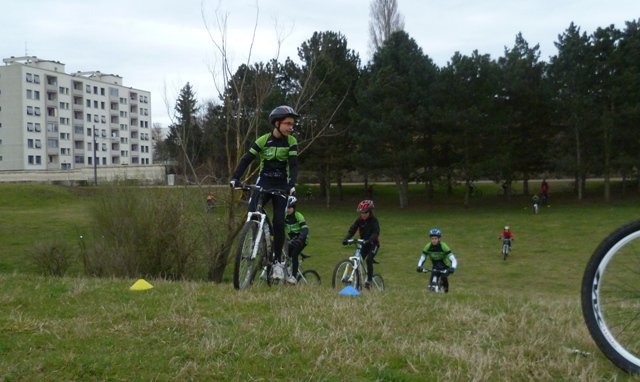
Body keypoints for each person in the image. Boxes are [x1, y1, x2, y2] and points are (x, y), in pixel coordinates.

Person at [230, 105, 300, 281]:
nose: (291, 127)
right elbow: (247, 159)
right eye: (288, 123)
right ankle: (256, 238)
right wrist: (235, 178)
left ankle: (277, 262)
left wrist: (291, 184)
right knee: (252, 212)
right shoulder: (263, 140)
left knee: (278, 220)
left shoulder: (291, 142)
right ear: (277, 123)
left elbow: (293, 165)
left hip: (281, 184)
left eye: (293, 124)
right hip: (264, 181)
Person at [342, 200, 380, 289]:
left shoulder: (374, 220)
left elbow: (376, 232)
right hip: (363, 244)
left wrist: (370, 240)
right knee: (356, 260)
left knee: (368, 259)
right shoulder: (359, 220)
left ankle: (369, 281)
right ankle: (356, 281)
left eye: (365, 212)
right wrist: (346, 238)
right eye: (361, 212)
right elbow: (352, 229)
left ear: (370, 211)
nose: (363, 214)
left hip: (373, 244)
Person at [416, 228, 458, 293]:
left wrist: (453, 268)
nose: (434, 240)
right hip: (435, 266)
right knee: (431, 285)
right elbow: (422, 258)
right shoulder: (428, 246)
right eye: (432, 239)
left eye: (435, 238)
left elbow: (453, 259)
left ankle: (445, 291)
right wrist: (419, 266)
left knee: (443, 278)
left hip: (445, 266)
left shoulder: (444, 246)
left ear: (439, 239)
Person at [284, 195, 308, 285]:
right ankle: (288, 271)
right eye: (286, 207)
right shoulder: (285, 217)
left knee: (294, 254)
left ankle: (293, 277)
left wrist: (300, 239)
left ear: (294, 207)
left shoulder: (299, 216)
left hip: (302, 239)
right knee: (285, 254)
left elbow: (305, 230)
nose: (288, 209)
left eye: (289, 207)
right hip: (292, 240)